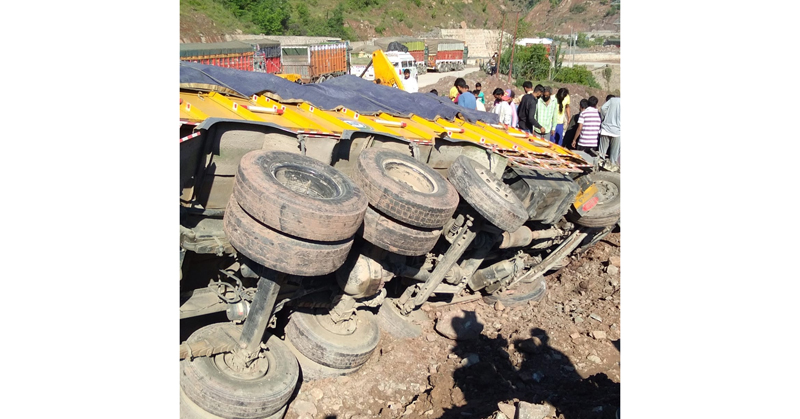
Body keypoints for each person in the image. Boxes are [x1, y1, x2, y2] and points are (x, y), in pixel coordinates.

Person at [598, 96, 620, 170]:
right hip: (617, 132)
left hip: (606, 129)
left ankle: (599, 168)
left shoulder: (612, 100)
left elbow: (603, 108)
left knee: (601, 153)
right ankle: (611, 169)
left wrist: (605, 118)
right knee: (614, 155)